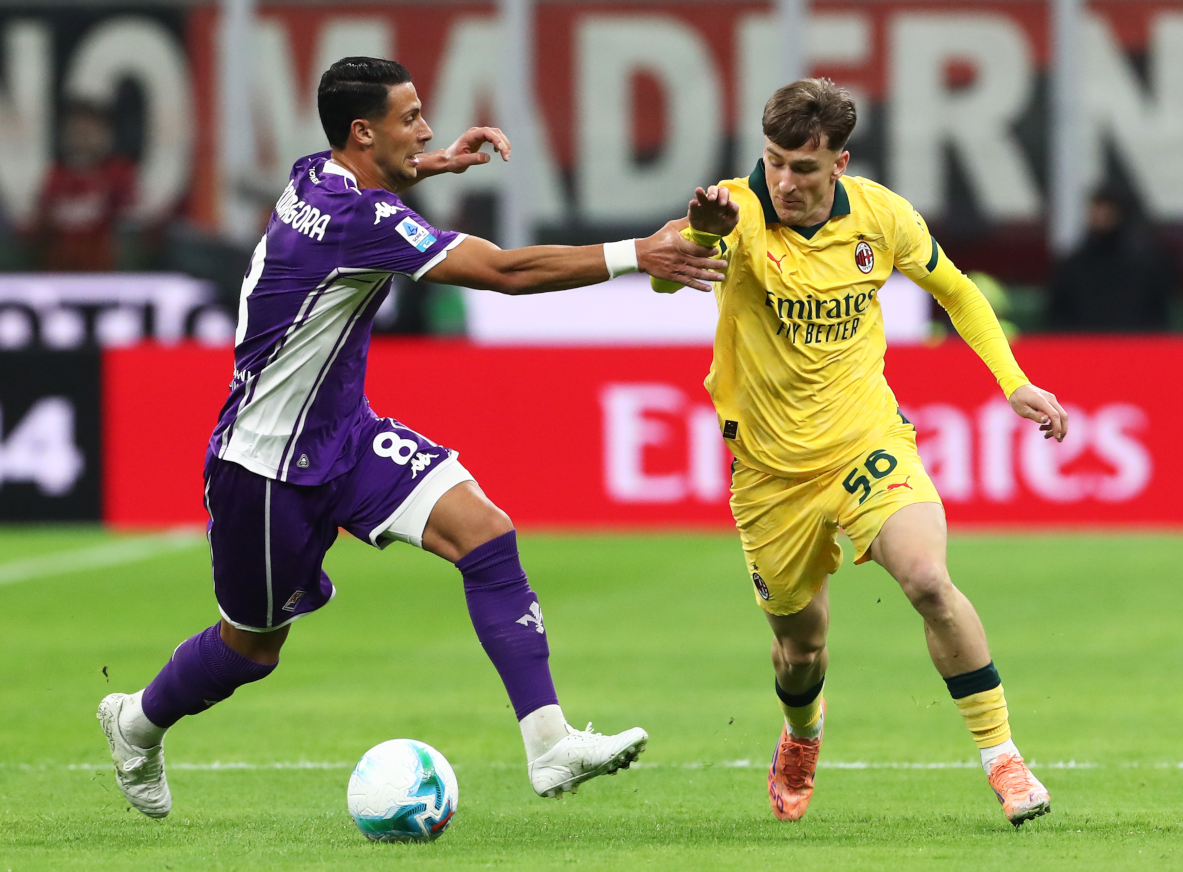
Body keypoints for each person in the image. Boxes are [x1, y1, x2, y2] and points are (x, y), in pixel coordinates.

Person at [97, 56, 727, 819]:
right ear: (363, 131)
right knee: (249, 650)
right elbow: (503, 271)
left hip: (346, 436)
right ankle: (135, 723)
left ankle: (551, 744)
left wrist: (431, 164)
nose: (425, 128)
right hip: (264, 469)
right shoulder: (355, 222)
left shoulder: (315, 175)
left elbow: (379, 186)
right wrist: (638, 254)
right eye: (410, 118)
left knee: (486, 536)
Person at [651, 78, 1067, 827]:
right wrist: (705, 236)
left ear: (838, 164)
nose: (784, 181)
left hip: (864, 441)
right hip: (772, 474)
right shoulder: (735, 212)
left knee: (930, 582)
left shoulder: (882, 215)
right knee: (800, 650)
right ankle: (802, 734)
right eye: (774, 161)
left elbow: (959, 291)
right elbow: (661, 283)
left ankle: (1003, 758)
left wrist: (1012, 381)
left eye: (803, 168)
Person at [1047, 185, 1177, 332]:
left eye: (1107, 209)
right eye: (1097, 208)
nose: (1101, 215)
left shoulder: (1147, 262)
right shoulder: (1072, 265)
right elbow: (1059, 314)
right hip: (1083, 348)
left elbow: (1158, 310)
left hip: (1136, 347)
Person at [31, 100, 137, 272]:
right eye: (77, 131)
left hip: (106, 272)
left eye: (90, 131)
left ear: (106, 134)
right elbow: (37, 225)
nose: (83, 137)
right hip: (59, 273)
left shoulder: (118, 174)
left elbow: (131, 224)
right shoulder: (56, 176)